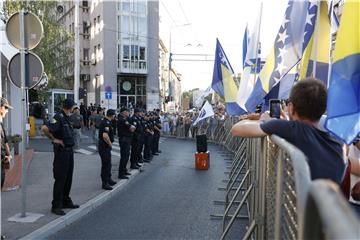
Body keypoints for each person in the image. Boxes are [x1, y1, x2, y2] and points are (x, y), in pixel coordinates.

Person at [231, 78, 345, 184]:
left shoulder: (290, 128)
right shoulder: (337, 144)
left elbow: (236, 129)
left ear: (290, 107)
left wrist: (264, 121)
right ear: (323, 109)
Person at [41, 99, 79, 216]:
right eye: (73, 107)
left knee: (68, 178)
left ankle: (65, 201)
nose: (74, 109)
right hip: (61, 153)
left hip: (69, 152)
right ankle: (56, 206)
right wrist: (54, 139)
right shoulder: (58, 117)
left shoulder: (67, 117)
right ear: (70, 107)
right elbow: (44, 129)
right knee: (60, 179)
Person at [98, 109, 117, 190]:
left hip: (105, 146)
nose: (114, 116)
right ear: (112, 115)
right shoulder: (106, 122)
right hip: (104, 146)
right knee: (105, 165)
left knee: (108, 164)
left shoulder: (107, 122)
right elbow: (105, 136)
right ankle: (104, 183)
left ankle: (108, 179)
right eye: (114, 115)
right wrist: (110, 144)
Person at [117, 107, 135, 179]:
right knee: (124, 156)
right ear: (124, 112)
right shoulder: (122, 119)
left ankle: (124, 170)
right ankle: (121, 173)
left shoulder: (124, 119)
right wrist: (132, 128)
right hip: (124, 139)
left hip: (126, 139)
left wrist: (132, 128)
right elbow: (132, 129)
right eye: (127, 112)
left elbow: (132, 128)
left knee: (126, 156)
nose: (128, 113)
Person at [0, 98, 12, 190]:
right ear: (1, 108)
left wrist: (8, 155)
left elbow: (5, 141)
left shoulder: (1, 124)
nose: (7, 111)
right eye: (6, 108)